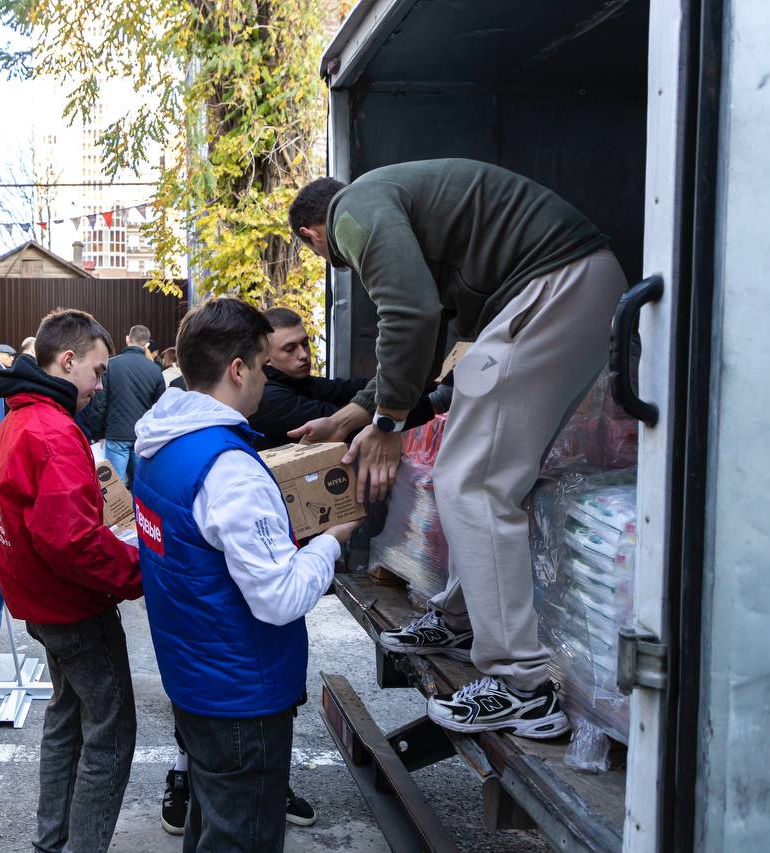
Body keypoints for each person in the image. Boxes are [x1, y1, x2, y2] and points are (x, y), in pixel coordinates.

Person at [288, 159, 628, 737]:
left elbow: (409, 314)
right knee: (482, 476)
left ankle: (523, 686)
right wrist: (353, 417)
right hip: (567, 286)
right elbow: (429, 336)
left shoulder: (353, 212)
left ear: (311, 234)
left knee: (474, 484)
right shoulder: (395, 201)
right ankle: (460, 617)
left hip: (556, 285)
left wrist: (389, 424)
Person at [132, 298, 361, 851]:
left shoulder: (159, 446)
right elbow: (279, 598)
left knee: (211, 825)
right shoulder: (229, 467)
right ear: (238, 369)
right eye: (262, 366)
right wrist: (332, 540)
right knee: (241, 836)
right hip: (240, 693)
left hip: (194, 676)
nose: (266, 379)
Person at [0, 308, 144, 853]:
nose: (100, 386)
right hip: (72, 608)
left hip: (43, 605)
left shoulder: (16, 422)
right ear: (68, 361)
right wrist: (138, 573)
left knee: (68, 718)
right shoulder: (50, 429)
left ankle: (53, 842)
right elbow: (70, 540)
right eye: (98, 371)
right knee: (110, 733)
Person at [252, 307, 450, 451]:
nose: (303, 355)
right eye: (290, 349)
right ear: (266, 356)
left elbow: (349, 388)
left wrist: (422, 384)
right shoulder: (268, 398)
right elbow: (349, 424)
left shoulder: (294, 380)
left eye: (305, 344)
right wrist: (435, 402)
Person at [87, 324, 165, 487]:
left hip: (116, 433)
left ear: (128, 339)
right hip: (142, 436)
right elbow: (159, 409)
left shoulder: (111, 365)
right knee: (141, 485)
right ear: (146, 344)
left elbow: (100, 402)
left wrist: (97, 433)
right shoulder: (155, 370)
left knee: (114, 488)